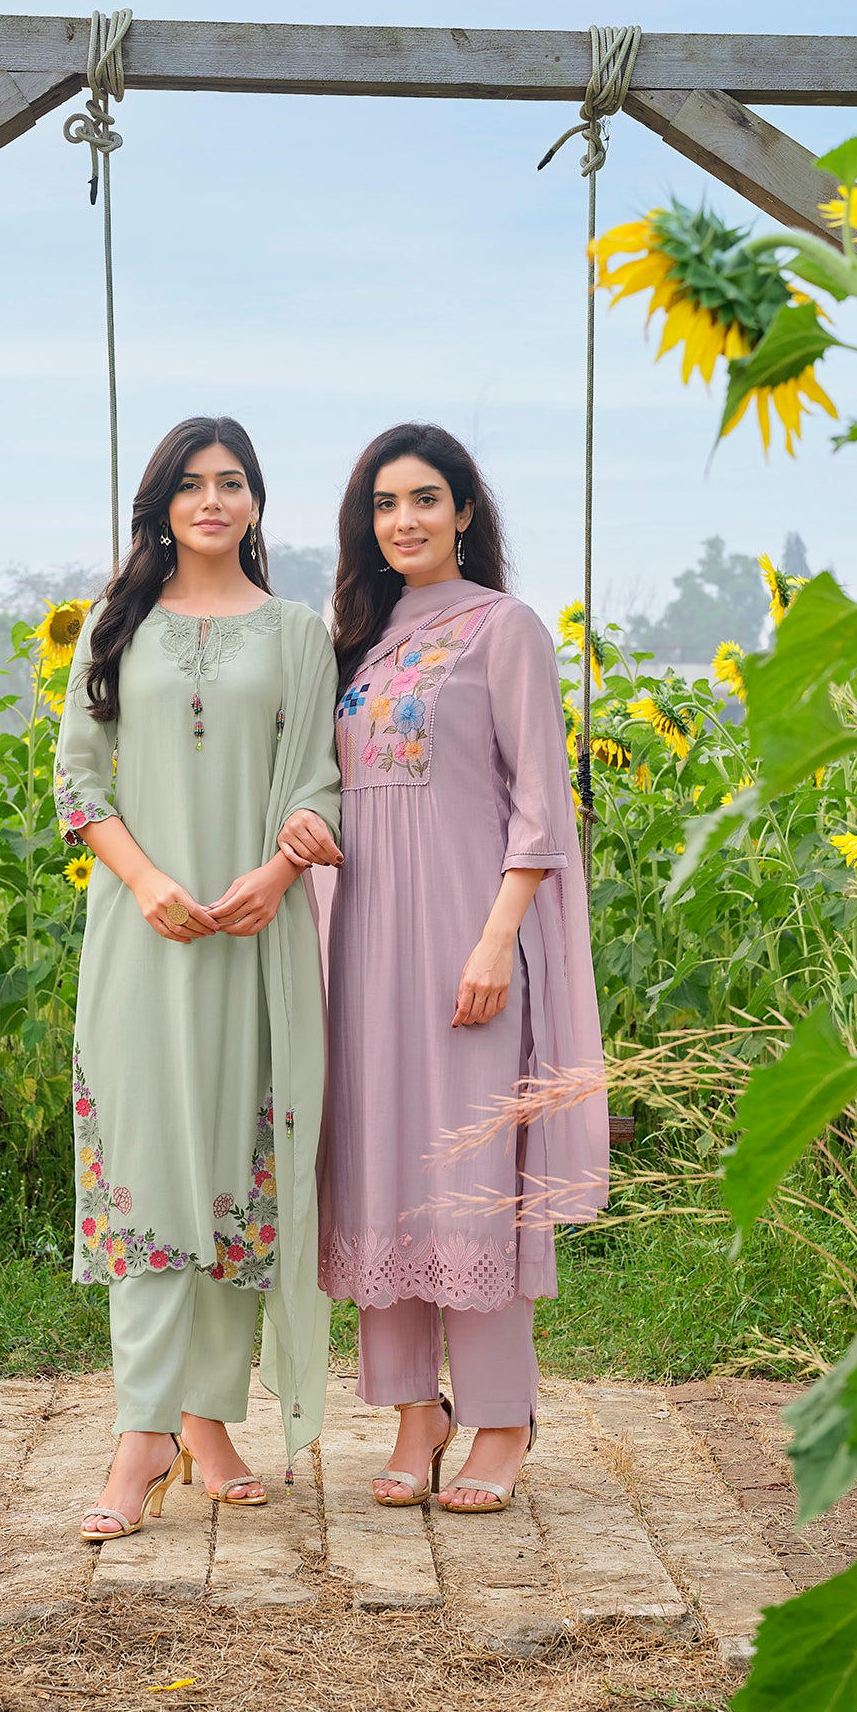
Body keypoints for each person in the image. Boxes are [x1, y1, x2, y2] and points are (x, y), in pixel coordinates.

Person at [309, 422, 608, 1513]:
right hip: (367, 948)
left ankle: (498, 1422)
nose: (405, 522)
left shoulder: (505, 629)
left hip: (470, 942)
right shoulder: (361, 639)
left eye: (426, 500)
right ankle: (413, 1413)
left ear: (466, 511)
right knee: (385, 1170)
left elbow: (541, 803)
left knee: (472, 1176)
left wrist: (496, 935)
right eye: (386, 506)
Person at [55, 415, 344, 1542]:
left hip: (258, 937)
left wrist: (277, 875)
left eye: (233, 483)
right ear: (161, 506)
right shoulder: (115, 626)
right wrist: (148, 883)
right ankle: (142, 1436)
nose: (213, 501)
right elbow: (80, 784)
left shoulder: (298, 632)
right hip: (144, 934)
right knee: (148, 1170)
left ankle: (209, 1422)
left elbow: (321, 778)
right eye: (192, 485)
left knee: (240, 1173)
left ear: (258, 502)